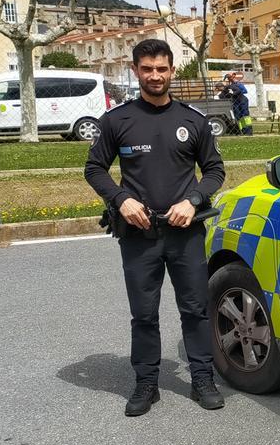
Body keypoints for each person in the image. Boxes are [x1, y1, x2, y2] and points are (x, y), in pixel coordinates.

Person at [84, 38, 226, 417]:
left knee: (195, 309)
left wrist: (193, 200)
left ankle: (201, 377)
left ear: (172, 71)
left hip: (185, 231)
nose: (155, 75)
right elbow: (94, 168)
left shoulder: (193, 121)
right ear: (136, 71)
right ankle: (146, 382)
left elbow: (214, 171)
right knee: (144, 313)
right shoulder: (117, 121)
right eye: (147, 69)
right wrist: (120, 200)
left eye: (161, 69)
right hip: (139, 234)